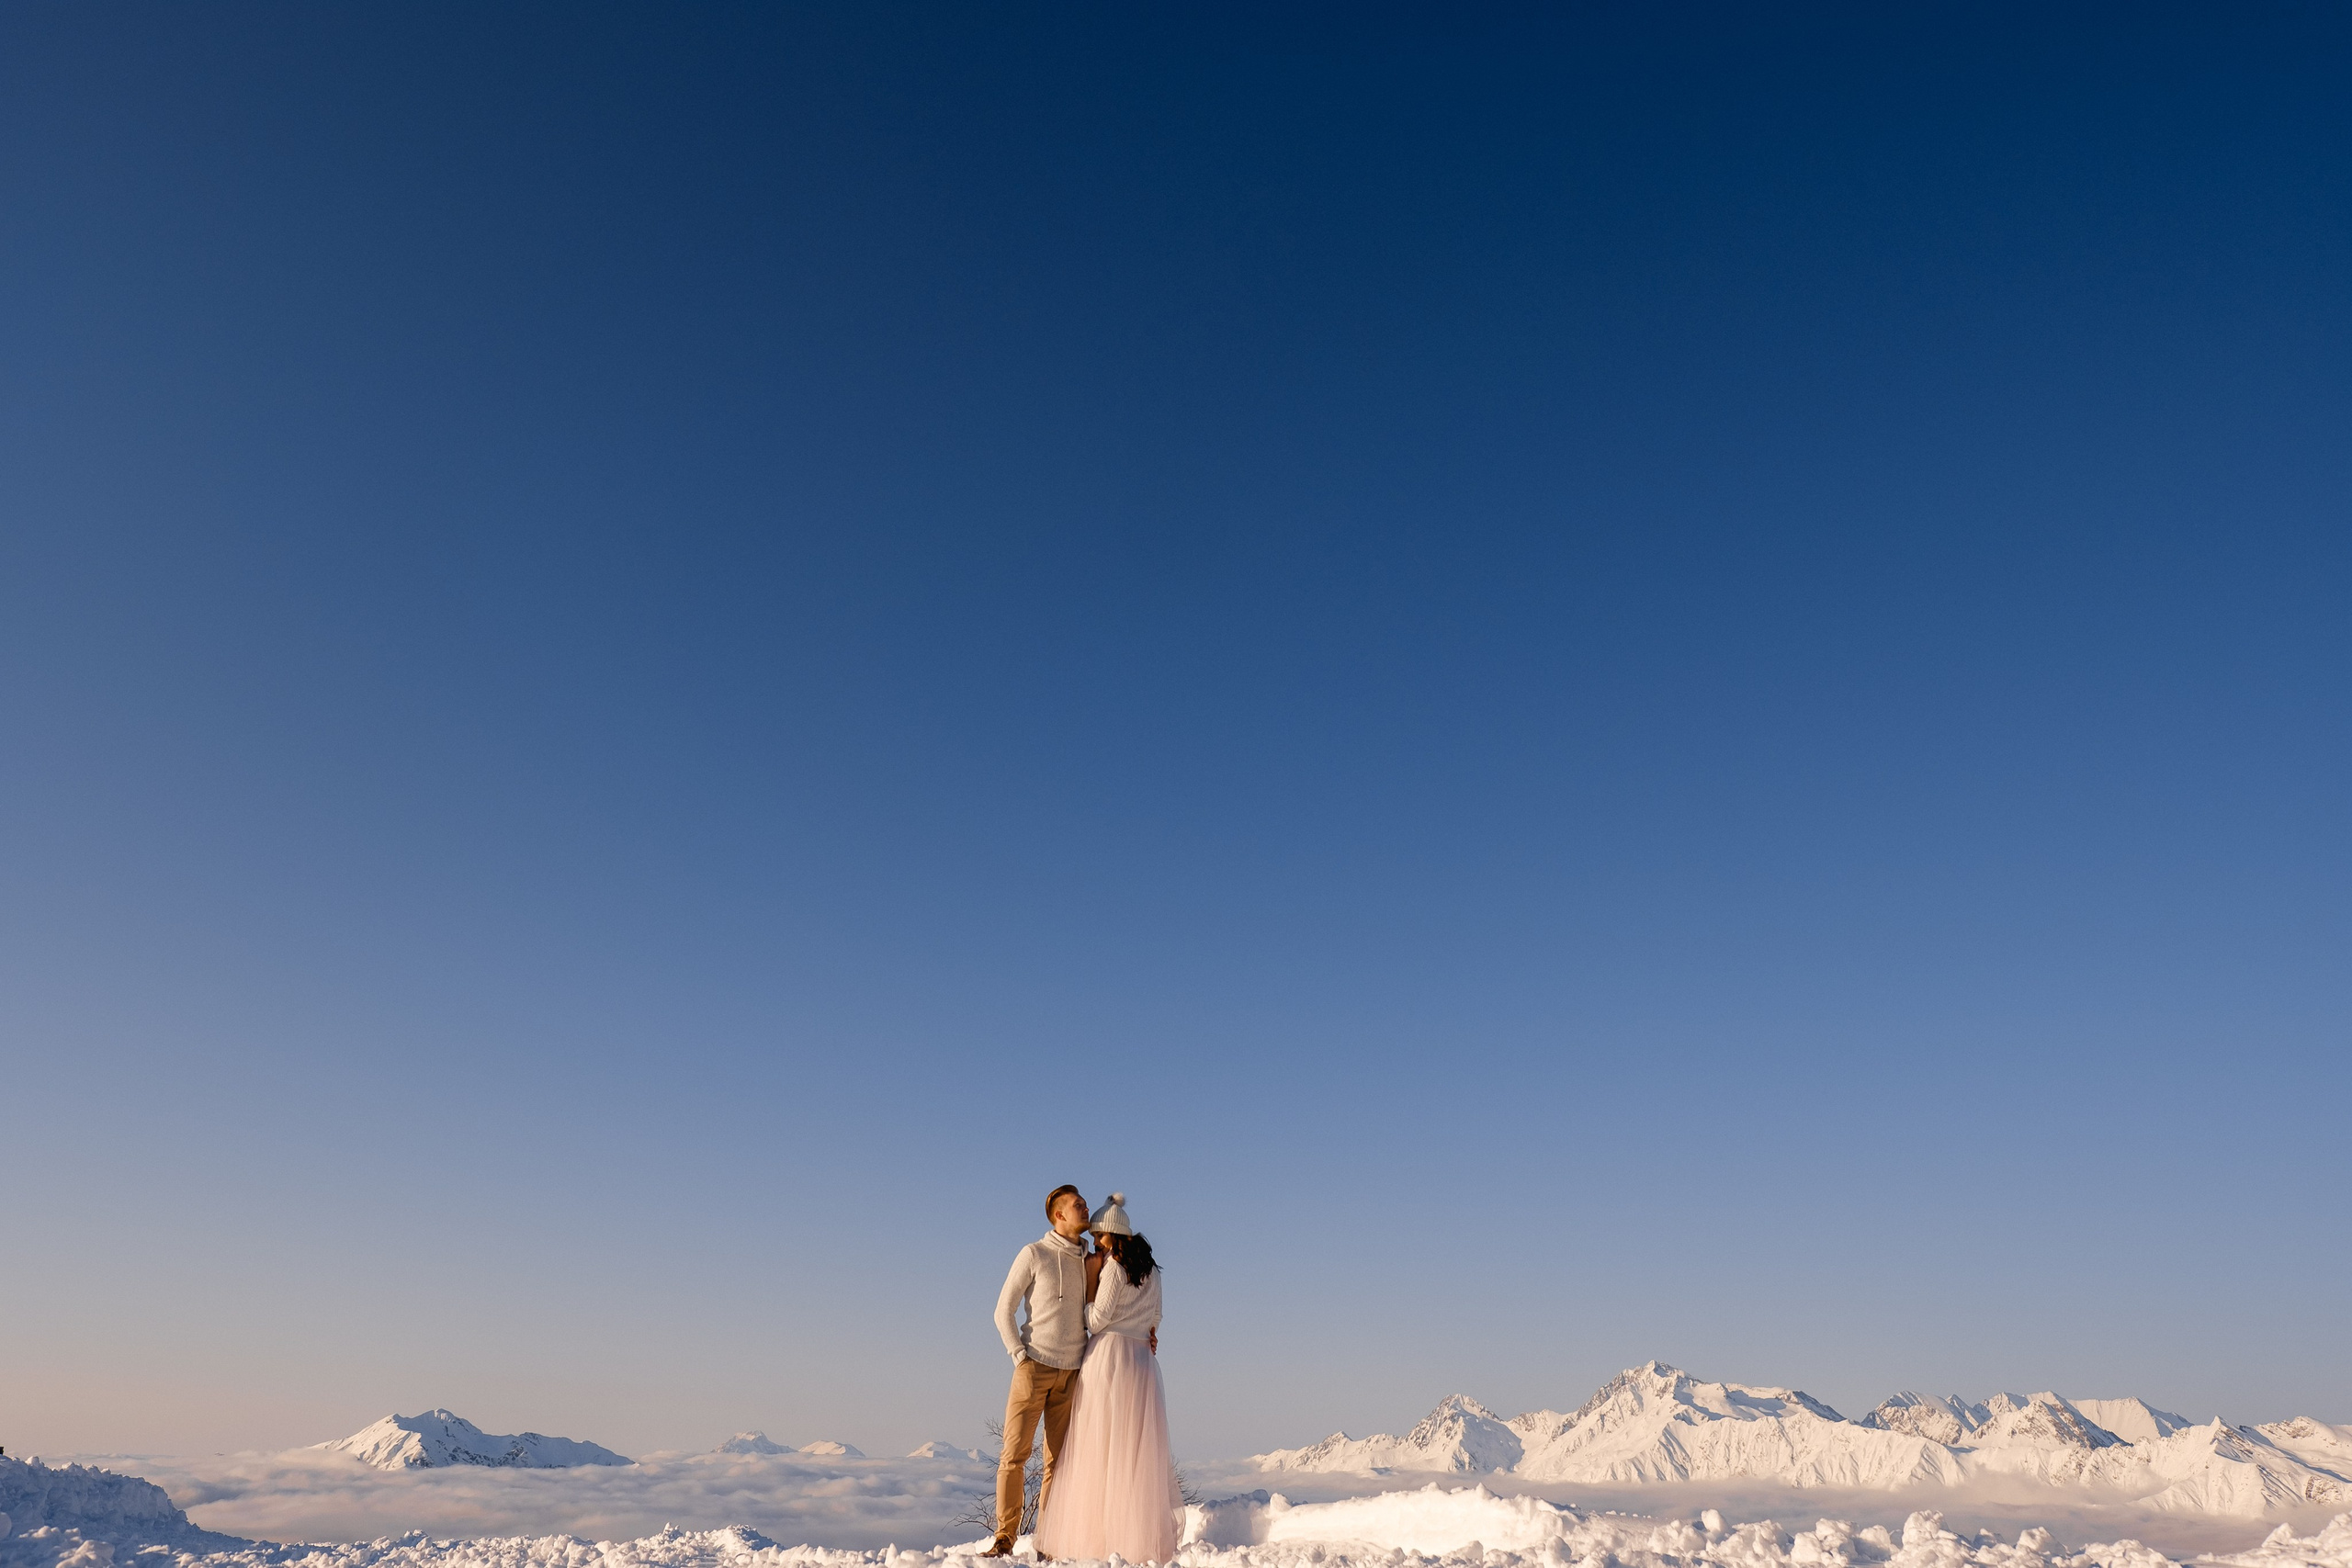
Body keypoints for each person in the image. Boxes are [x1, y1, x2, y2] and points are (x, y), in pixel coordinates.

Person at [1032, 1192, 1179, 1564]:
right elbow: (1156, 1318)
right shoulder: (1152, 1271)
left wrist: (1087, 1293)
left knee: (1097, 1445)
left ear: (1113, 1233)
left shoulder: (1113, 1267)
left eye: (1100, 1235)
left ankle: (1095, 1538)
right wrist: (1145, 1331)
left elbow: (1097, 1321)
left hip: (1110, 1358)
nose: (1096, 1242)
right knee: (1132, 1450)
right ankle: (1134, 1535)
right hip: (1141, 1363)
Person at [988, 1184, 1092, 1556]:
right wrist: (1020, 1356)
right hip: (1034, 1367)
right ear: (1059, 1215)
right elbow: (1003, 1310)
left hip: (1073, 1373)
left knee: (1058, 1464)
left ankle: (1048, 1541)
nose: (1086, 1208)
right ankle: (1005, 1538)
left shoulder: (1089, 1260)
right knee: (1014, 1454)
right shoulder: (1034, 1253)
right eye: (1078, 1205)